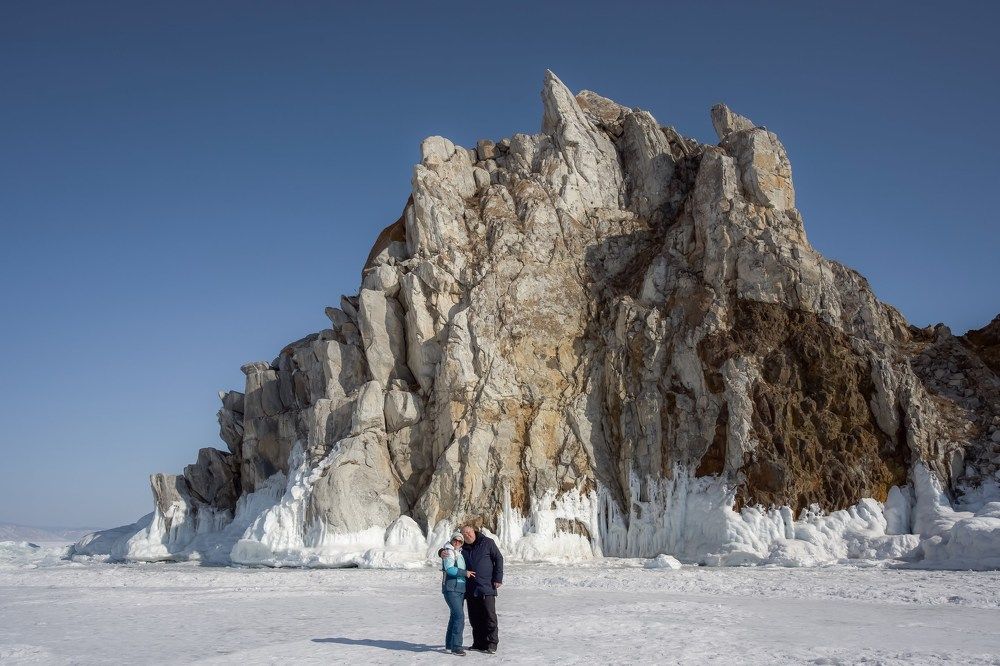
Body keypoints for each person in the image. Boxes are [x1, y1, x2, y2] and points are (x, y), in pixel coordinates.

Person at [460, 525, 504, 654]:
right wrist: (441, 552)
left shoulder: (487, 542)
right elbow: (448, 548)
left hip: (487, 586)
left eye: (469, 532)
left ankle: (491, 643)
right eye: (464, 533)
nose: (467, 535)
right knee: (475, 618)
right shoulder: (461, 547)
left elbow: (499, 558)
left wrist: (498, 578)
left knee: (489, 617)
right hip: (471, 588)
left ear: (474, 531)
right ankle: (479, 643)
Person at [440, 532, 475, 656]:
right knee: (459, 617)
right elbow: (449, 569)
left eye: (460, 541)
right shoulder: (449, 552)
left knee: (454, 616)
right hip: (451, 588)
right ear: (452, 540)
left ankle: (450, 644)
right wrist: (464, 573)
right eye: (455, 540)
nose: (457, 542)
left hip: (460, 589)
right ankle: (456, 647)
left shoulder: (458, 553)